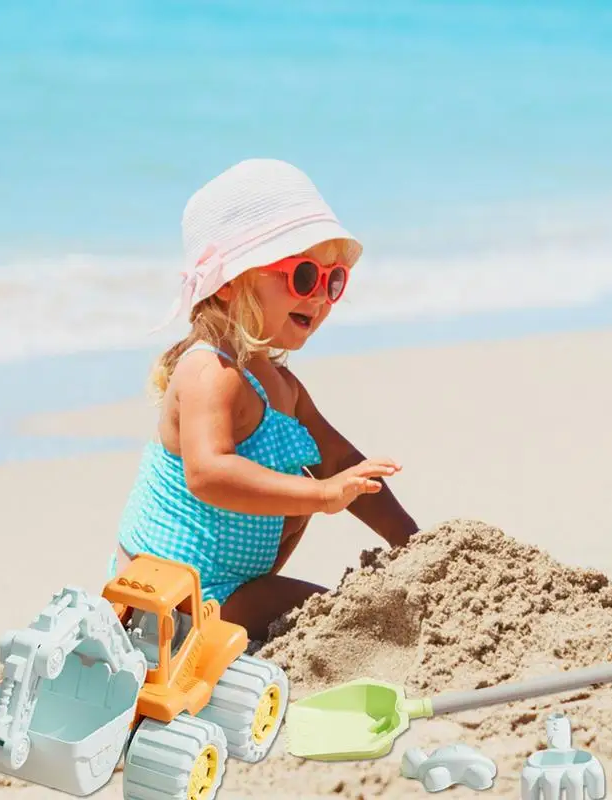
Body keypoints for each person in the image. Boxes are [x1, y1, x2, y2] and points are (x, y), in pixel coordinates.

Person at [110, 158, 419, 641]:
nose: (319, 298)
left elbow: (337, 458)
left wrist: (411, 541)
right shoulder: (210, 371)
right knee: (334, 614)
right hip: (171, 595)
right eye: (302, 277)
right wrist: (322, 495)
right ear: (230, 283)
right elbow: (208, 474)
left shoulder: (281, 385)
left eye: (333, 280)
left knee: (304, 483)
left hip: (228, 583)